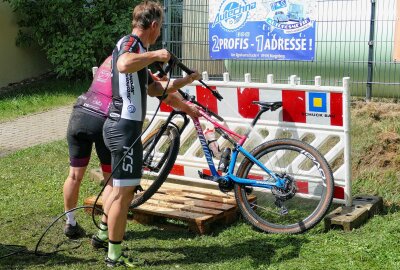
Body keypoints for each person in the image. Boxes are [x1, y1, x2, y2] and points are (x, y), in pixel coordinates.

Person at [101, 0, 201, 267]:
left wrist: (187, 84)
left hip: (121, 127)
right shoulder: (131, 45)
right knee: (125, 193)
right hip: (123, 128)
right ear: (154, 25)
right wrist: (156, 55)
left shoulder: (138, 54)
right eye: (161, 28)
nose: (160, 33)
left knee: (120, 187)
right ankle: (114, 257)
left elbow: (157, 90)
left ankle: (102, 233)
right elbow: (123, 64)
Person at [63, 59, 199, 241]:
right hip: (103, 118)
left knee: (74, 175)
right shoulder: (136, 63)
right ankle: (106, 230)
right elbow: (161, 91)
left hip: (80, 113)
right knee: (112, 181)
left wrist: (157, 79)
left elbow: (152, 83)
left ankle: (70, 223)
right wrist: (187, 102)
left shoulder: (112, 58)